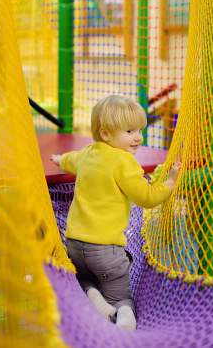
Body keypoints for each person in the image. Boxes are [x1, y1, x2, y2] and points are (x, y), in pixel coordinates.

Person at [51, 95, 182, 331]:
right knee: (122, 299)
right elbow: (147, 198)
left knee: (82, 278)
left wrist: (59, 159)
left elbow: (71, 160)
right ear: (106, 134)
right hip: (105, 251)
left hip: (73, 244)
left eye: (139, 130)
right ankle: (121, 323)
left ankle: (95, 299)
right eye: (130, 131)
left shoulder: (89, 153)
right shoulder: (125, 163)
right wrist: (169, 184)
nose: (137, 137)